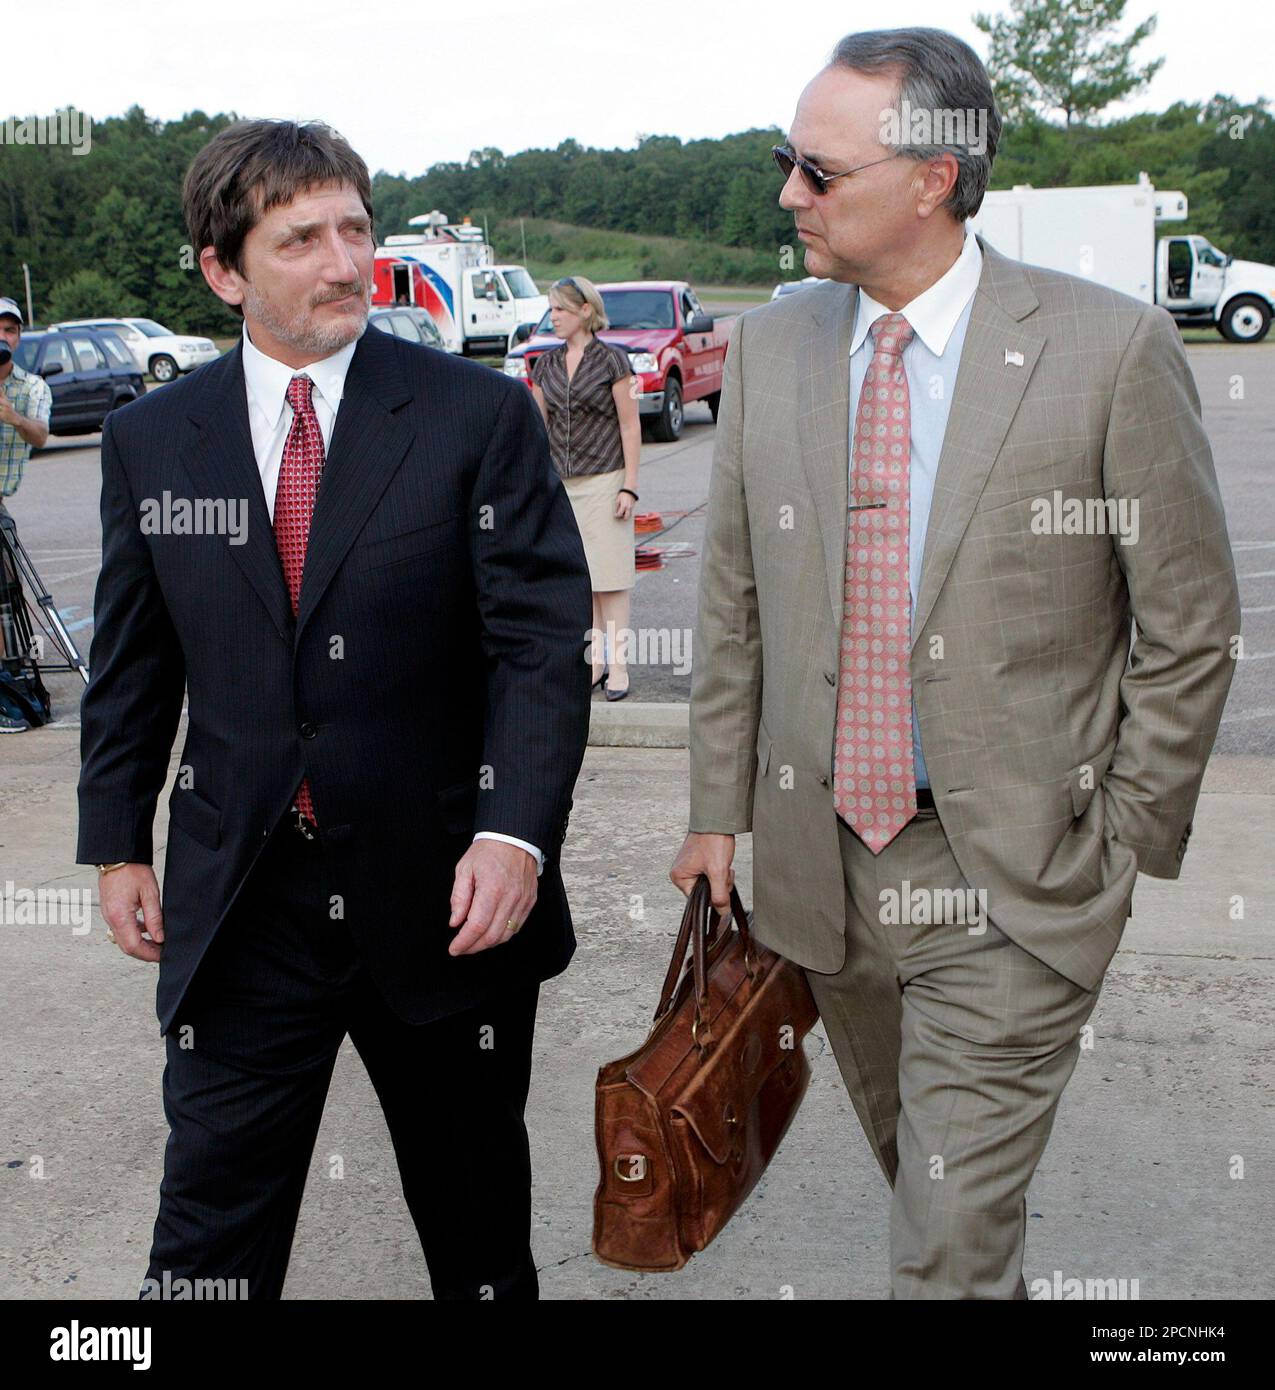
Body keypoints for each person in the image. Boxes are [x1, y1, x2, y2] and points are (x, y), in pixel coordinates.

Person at [672, 26, 1240, 1298]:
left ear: (933, 178)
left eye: (819, 173)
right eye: (787, 162)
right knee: (941, 1200)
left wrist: (1120, 834)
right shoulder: (773, 348)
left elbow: (1191, 623)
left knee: (941, 1238)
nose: (787, 196)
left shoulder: (1109, 351)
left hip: (1016, 883)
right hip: (822, 874)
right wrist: (718, 811)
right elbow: (735, 607)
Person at [75, 119, 592, 1300]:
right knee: (204, 1242)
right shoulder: (155, 440)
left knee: (475, 1233)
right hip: (246, 902)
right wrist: (114, 842)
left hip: (446, 899)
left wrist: (513, 833)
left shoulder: (472, 416)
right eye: (301, 237)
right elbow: (134, 664)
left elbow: (539, 649)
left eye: (355, 227)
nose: (345, 260)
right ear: (223, 268)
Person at [529, 275, 641, 700]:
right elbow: (538, 429)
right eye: (551, 308)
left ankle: (620, 668)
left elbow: (630, 426)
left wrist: (630, 486)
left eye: (560, 309)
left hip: (607, 478)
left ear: (585, 312)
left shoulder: (615, 362)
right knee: (581, 579)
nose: (552, 316)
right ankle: (593, 662)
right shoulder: (545, 364)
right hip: (562, 485)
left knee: (611, 578)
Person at [0, 296, 52, 733]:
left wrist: (11, 415)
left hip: (1, 504)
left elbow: (40, 436)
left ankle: (11, 678)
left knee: (8, 592)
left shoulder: (31, 387)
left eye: (10, 329)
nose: (3, 337)